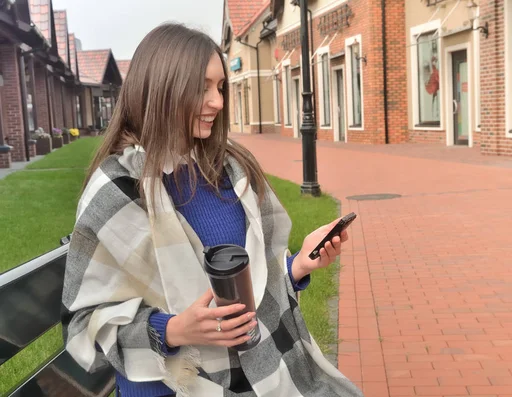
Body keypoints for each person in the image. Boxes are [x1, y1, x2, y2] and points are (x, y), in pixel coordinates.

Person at [61, 23, 364, 397]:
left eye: (220, 87)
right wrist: (173, 330)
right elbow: (83, 324)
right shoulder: (117, 190)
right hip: (169, 387)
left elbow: (250, 285)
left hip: (258, 373)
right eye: (202, 87)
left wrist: (299, 264)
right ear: (162, 88)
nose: (218, 101)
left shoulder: (230, 169)